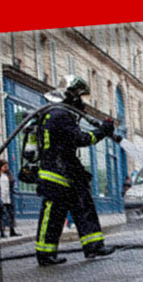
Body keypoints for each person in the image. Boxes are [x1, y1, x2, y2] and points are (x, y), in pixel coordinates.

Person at [34, 75, 117, 266]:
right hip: (57, 173)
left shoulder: (50, 113)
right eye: (80, 97)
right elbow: (81, 139)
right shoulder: (60, 114)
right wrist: (103, 131)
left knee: (82, 207)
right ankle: (45, 254)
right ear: (71, 96)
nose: (82, 102)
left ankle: (93, 247)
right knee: (54, 214)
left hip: (66, 171)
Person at [0, 160, 20, 237]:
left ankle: (12, 231)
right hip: (0, 197)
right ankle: (2, 232)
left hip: (9, 197)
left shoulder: (8, 174)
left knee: (11, 214)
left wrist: (12, 180)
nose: (6, 168)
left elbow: (12, 185)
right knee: (2, 214)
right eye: (5, 166)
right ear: (0, 167)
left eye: (7, 166)